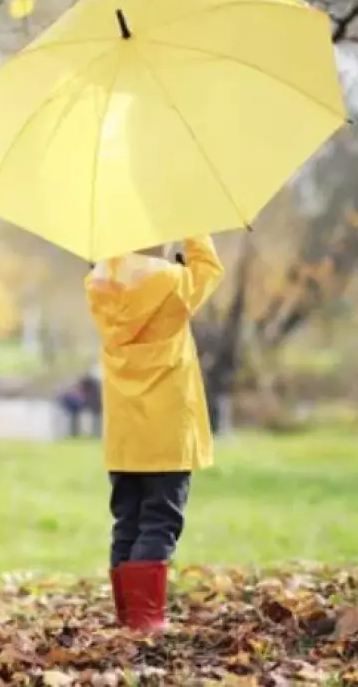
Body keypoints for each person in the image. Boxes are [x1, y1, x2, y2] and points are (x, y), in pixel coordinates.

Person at [85, 236, 224, 634]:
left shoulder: (99, 286)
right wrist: (192, 228)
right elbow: (209, 267)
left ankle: (128, 619)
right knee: (160, 522)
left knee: (127, 522)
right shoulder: (175, 285)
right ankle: (146, 622)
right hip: (166, 433)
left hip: (124, 437)